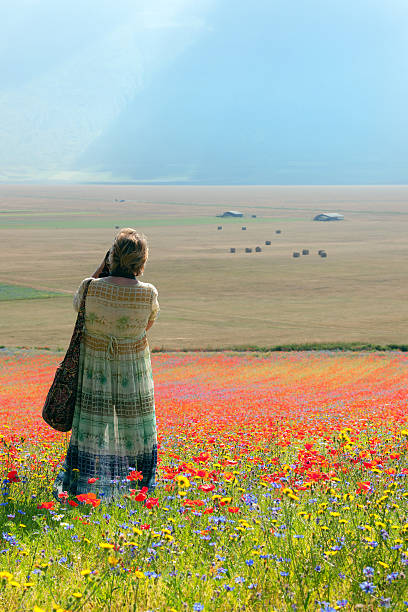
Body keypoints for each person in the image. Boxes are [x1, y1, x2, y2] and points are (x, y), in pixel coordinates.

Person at [53, 228, 160, 502]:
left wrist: (101, 269)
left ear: (112, 256)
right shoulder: (148, 293)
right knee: (134, 429)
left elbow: (79, 308)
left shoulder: (90, 287)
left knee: (92, 428)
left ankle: (83, 486)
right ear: (141, 260)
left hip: (95, 369)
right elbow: (147, 326)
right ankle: (138, 487)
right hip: (133, 372)